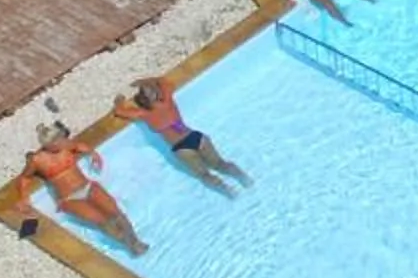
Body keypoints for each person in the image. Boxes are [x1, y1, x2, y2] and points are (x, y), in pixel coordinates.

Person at [17, 123, 145, 254]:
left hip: (88, 186)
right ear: (47, 145)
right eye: (56, 142)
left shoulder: (65, 145)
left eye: (60, 139)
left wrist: (92, 153)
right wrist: (24, 196)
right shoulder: (37, 161)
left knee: (116, 212)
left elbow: (79, 146)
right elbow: (25, 178)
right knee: (100, 220)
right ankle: (129, 245)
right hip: (69, 198)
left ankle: (135, 240)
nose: (60, 143)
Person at [117, 78, 252, 195]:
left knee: (204, 174)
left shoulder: (142, 114)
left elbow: (120, 112)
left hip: (181, 148)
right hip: (196, 137)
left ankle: (230, 192)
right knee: (219, 164)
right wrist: (146, 80)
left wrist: (119, 101)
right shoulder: (168, 101)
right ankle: (245, 179)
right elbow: (164, 81)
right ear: (157, 94)